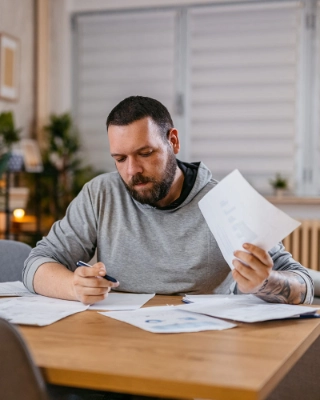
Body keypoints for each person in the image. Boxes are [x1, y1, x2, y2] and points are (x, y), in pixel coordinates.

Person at [23, 96, 313, 305]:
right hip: (119, 340)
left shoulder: (224, 200)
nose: (132, 171)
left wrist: (266, 281)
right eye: (120, 159)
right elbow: (37, 263)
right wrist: (72, 285)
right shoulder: (101, 194)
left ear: (173, 141)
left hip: (204, 347)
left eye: (145, 153)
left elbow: (300, 279)